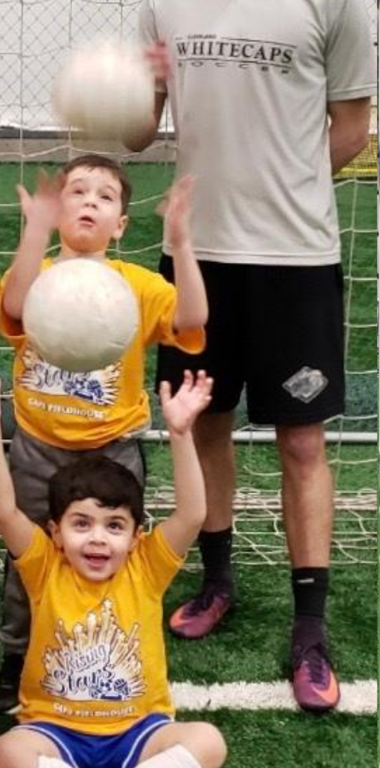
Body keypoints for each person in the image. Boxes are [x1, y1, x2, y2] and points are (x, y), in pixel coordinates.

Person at [127, 0, 375, 713]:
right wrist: (129, 89)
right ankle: (218, 580)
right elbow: (142, 130)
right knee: (204, 422)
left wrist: (281, 186)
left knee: (302, 440)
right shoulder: (162, 5)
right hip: (198, 256)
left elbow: (352, 130)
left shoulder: (334, 6)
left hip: (295, 256)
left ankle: (310, 628)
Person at [0, 155, 206, 713]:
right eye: (76, 191)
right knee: (27, 556)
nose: (88, 202)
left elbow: (192, 319)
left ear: (122, 224)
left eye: (104, 197)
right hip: (37, 445)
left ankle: (105, 650)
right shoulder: (40, 277)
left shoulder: (137, 284)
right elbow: (14, 303)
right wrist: (34, 229)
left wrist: (180, 243)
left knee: (114, 557)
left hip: (113, 450)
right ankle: (18, 652)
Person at [0, 370, 227, 768]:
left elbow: (193, 514)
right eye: (81, 523)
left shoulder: (146, 566)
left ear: (135, 537)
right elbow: (5, 511)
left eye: (114, 526)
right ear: (55, 533)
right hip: (54, 732)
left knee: (207, 741)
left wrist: (181, 435)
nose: (98, 538)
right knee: (7, 752)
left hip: (139, 731)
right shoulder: (45, 565)